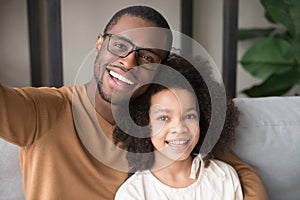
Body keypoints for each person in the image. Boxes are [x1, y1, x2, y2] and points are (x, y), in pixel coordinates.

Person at [0, 5, 267, 200]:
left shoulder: (162, 121)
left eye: (147, 57)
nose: (128, 63)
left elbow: (238, 173)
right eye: (119, 46)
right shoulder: (43, 110)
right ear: (99, 44)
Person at [113, 54, 243, 199]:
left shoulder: (223, 177)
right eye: (163, 118)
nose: (179, 128)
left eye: (189, 116)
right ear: (142, 124)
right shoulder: (134, 193)